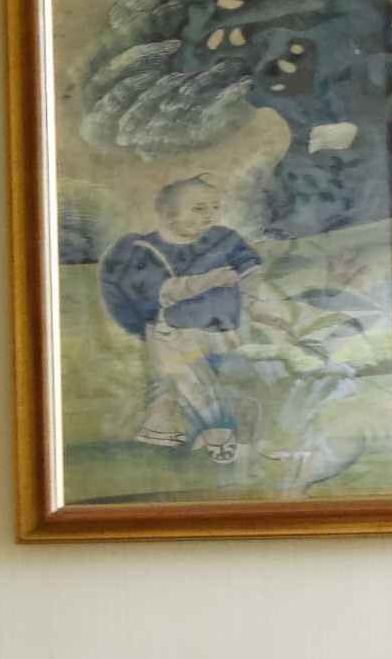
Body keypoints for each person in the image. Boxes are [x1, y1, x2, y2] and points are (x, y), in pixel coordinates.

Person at [96, 170, 278, 457]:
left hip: (222, 329)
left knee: (214, 378)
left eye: (214, 207)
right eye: (198, 208)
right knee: (194, 385)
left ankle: (160, 425)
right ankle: (219, 441)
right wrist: (210, 279)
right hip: (175, 333)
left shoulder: (224, 238)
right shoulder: (146, 250)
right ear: (169, 215)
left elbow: (249, 268)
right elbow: (160, 291)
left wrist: (259, 301)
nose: (209, 216)